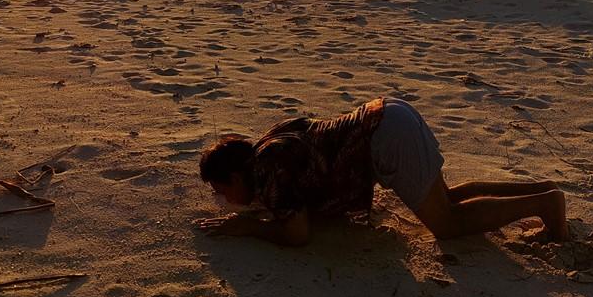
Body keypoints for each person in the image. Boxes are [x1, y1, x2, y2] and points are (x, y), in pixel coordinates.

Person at [195, 96, 566, 246]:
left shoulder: (268, 170)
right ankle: (540, 188)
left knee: (447, 225)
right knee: (447, 199)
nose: (222, 199)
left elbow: (298, 235)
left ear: (236, 176)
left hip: (385, 139)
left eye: (220, 190)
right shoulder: (267, 148)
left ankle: (546, 204)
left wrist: (247, 227)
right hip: (388, 114)